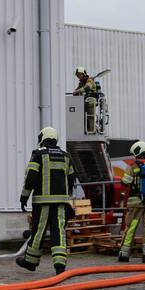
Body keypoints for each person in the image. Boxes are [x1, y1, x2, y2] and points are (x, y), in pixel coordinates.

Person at [17, 126, 77, 274]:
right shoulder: (66, 156)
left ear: (42, 138)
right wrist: (66, 196)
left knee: (39, 231)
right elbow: (71, 178)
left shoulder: (38, 154)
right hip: (61, 202)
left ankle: (30, 261)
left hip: (42, 202)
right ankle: (59, 265)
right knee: (59, 232)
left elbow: (31, 177)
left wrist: (24, 197)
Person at [71, 66, 100, 134]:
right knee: (82, 116)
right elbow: (77, 90)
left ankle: (91, 131)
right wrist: (75, 92)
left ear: (83, 74)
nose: (78, 76)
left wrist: (78, 91)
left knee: (90, 117)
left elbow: (87, 87)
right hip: (84, 101)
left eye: (79, 75)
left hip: (91, 100)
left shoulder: (89, 80)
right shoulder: (81, 83)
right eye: (77, 75)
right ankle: (85, 129)